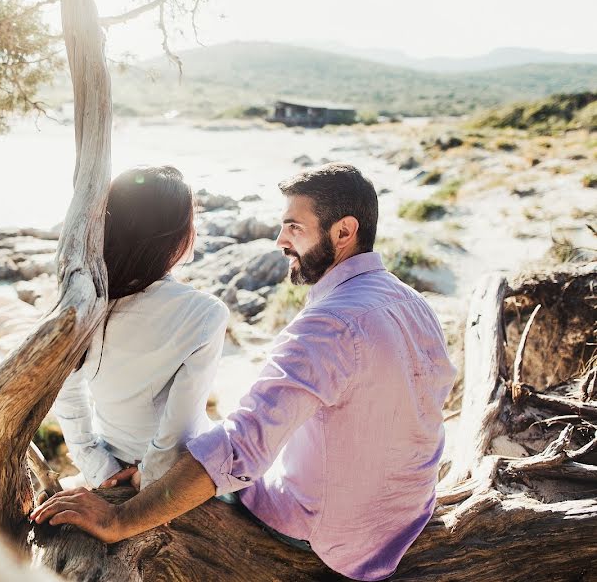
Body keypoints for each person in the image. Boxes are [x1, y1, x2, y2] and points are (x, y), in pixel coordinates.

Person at [33, 163, 457, 582]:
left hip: (333, 535)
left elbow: (240, 450)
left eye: (294, 227)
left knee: (219, 451)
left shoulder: (328, 327)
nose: (280, 241)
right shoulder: (410, 302)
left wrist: (120, 519)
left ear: (344, 232)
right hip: (409, 512)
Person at [53, 165, 229, 492]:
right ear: (175, 233)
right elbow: (180, 427)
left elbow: (65, 391)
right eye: (193, 219)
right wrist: (147, 475)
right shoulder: (205, 313)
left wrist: (95, 463)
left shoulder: (87, 301)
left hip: (111, 461)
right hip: (178, 475)